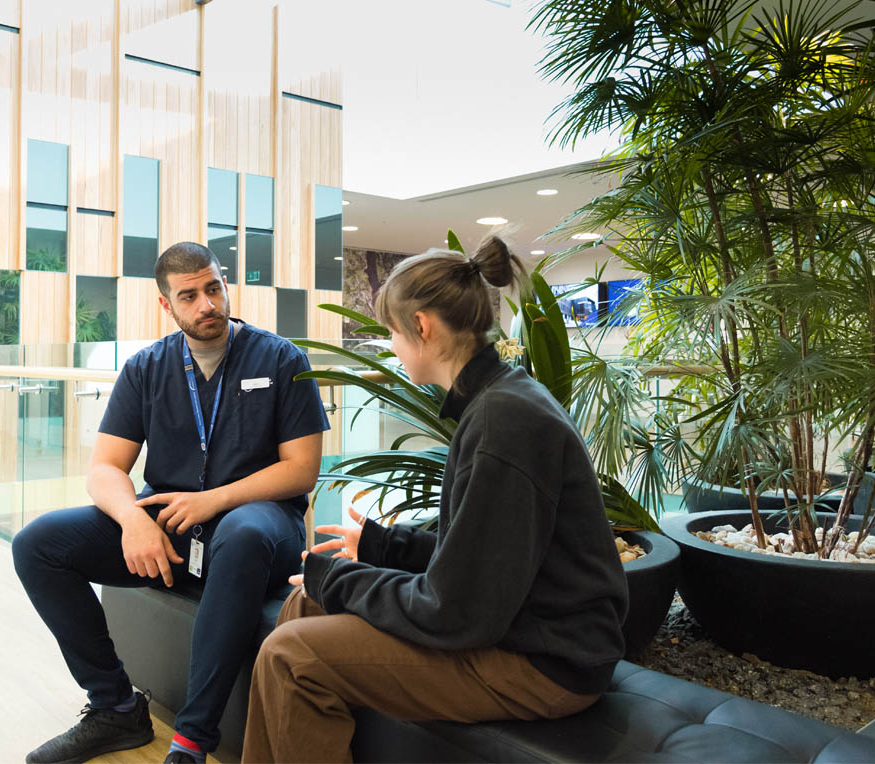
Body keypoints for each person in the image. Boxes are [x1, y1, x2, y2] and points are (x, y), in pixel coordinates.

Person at [241, 235, 629, 763]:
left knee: (291, 655)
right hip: (516, 626)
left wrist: (341, 577)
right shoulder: (498, 399)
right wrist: (383, 547)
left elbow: (459, 612)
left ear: (421, 327)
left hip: (544, 662)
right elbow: (485, 554)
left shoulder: (502, 421)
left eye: (394, 335)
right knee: (305, 601)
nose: (394, 350)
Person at [13, 242, 329, 764]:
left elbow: (302, 468)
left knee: (244, 531)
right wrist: (133, 518)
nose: (207, 304)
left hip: (261, 526)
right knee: (37, 545)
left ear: (225, 286)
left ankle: (191, 741)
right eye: (190, 296)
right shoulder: (147, 368)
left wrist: (214, 500)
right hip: (172, 527)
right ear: (167, 305)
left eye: (213, 288)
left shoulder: (279, 358)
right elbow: (105, 469)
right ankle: (115, 708)